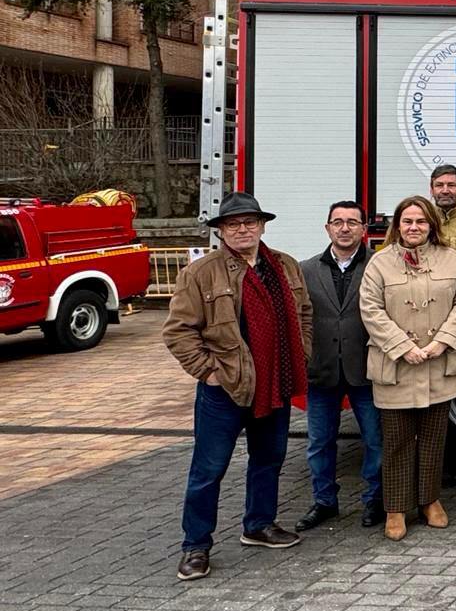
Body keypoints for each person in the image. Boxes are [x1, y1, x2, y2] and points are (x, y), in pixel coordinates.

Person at [163, 191, 312, 582]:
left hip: (274, 382)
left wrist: (304, 352)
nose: (243, 229)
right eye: (233, 224)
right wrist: (209, 373)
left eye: (250, 222)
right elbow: (179, 331)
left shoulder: (285, 266)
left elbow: (305, 314)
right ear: (221, 231)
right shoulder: (200, 273)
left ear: (262, 226)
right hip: (224, 390)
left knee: (268, 460)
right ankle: (195, 546)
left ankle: (258, 525)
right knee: (208, 470)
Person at [358, 195, 456, 541]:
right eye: (407, 221)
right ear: (397, 225)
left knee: (434, 440)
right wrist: (403, 347)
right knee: (396, 442)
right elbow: (371, 310)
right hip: (396, 367)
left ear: (431, 226)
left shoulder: (451, 260)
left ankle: (429, 501)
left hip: (439, 365)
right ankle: (395, 509)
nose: (414, 227)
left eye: (421, 221)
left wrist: (444, 340)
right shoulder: (379, 264)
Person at [296, 200, 384, 533]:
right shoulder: (306, 270)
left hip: (367, 371)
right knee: (320, 443)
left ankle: (375, 500)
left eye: (352, 222)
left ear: (364, 229)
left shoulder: (379, 266)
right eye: (337, 222)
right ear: (327, 228)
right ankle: (324, 502)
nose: (344, 228)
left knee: (375, 441)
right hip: (322, 372)